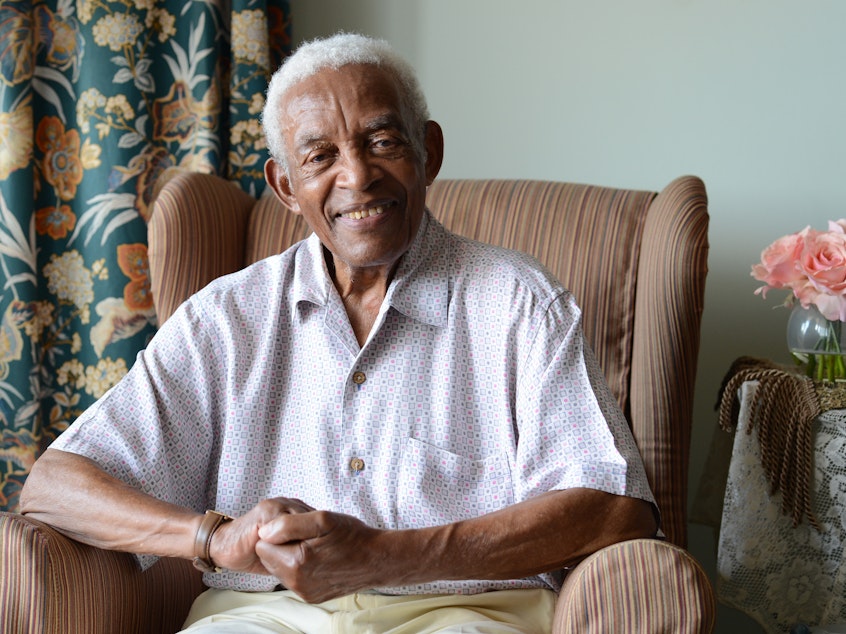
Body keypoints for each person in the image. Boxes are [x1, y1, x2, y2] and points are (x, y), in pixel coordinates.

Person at [20, 33, 658, 633]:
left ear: (428, 152)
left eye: (383, 141)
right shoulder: (226, 319)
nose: (357, 176)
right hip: (265, 618)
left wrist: (386, 555)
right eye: (320, 156)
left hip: (467, 613)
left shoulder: (520, 304)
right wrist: (213, 537)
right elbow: (54, 487)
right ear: (285, 187)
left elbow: (615, 505)